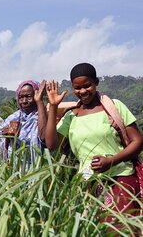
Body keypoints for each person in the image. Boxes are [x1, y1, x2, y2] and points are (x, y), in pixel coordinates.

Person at [45, 63, 142, 228]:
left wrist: (110, 161)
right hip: (88, 183)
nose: (82, 91)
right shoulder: (71, 116)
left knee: (120, 229)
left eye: (87, 85)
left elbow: (138, 141)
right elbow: (52, 144)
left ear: (96, 82)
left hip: (120, 178)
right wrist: (53, 106)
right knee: (94, 230)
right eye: (77, 88)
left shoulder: (113, 107)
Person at [3, 80, 47, 164]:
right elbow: (4, 149)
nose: (24, 101)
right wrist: (8, 138)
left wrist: (39, 102)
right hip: (16, 169)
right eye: (21, 97)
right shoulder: (13, 118)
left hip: (38, 168)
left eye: (29, 97)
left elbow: (44, 138)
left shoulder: (43, 116)